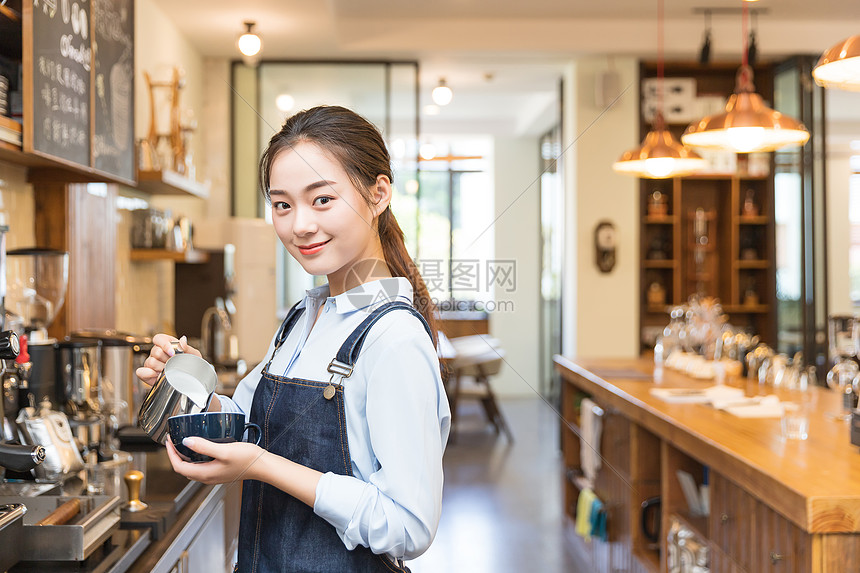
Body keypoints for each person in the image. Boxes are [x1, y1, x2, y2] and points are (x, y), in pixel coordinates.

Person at [137, 105, 451, 572]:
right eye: (283, 205)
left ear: (379, 193)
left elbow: (408, 525)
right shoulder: (304, 316)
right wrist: (189, 380)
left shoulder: (394, 338)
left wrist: (262, 467)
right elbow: (249, 421)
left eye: (322, 199)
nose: (299, 225)